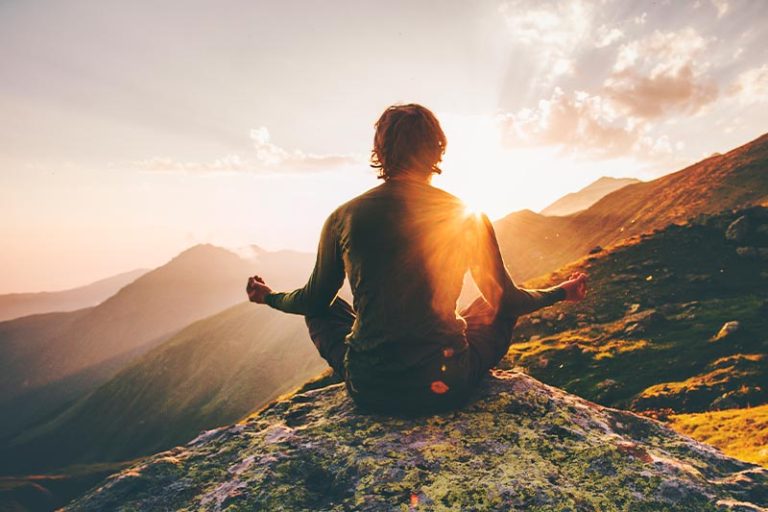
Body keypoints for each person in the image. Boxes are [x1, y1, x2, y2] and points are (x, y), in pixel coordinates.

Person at [246, 103, 587, 416]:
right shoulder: (466, 215)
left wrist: (268, 296)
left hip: (370, 388)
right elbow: (508, 300)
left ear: (380, 151)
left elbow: (312, 300)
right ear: (438, 149)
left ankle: (376, 359)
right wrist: (561, 291)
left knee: (324, 307)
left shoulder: (344, 216)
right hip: (445, 386)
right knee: (491, 305)